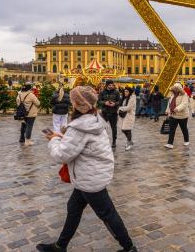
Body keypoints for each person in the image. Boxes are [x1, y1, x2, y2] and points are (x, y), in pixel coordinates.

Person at [37, 86, 137, 252]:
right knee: (73, 208)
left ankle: (129, 248)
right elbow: (81, 145)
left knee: (108, 215)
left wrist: (54, 139)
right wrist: (64, 136)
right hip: (90, 173)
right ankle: (60, 246)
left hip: (90, 178)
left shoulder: (79, 127)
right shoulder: (94, 118)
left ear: (77, 104)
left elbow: (62, 155)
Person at [164, 83, 190, 149]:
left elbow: (184, 103)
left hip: (182, 115)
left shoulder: (184, 94)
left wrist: (177, 108)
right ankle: (170, 143)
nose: (174, 90)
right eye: (174, 89)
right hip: (173, 115)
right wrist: (167, 110)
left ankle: (186, 140)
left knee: (184, 128)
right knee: (172, 129)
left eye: (176, 89)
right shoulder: (172, 94)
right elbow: (169, 103)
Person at [98, 80, 121, 148]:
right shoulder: (102, 92)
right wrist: (105, 103)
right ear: (106, 85)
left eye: (112, 85)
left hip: (113, 112)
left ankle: (114, 141)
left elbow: (119, 101)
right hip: (104, 112)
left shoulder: (116, 92)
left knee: (114, 128)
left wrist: (115, 104)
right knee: (102, 128)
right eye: (109, 85)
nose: (111, 86)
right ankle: (103, 141)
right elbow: (99, 101)